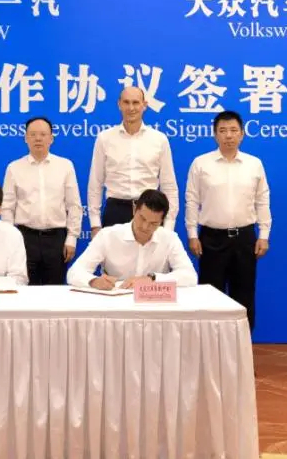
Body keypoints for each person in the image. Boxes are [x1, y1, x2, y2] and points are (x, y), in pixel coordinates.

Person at [184, 110, 271, 332]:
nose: (228, 135)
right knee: (210, 297)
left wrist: (264, 235)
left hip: (244, 238)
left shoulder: (254, 164)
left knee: (244, 297)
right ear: (215, 135)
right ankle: (209, 348)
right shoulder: (201, 164)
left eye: (233, 130)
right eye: (223, 131)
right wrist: (192, 234)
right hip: (211, 238)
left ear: (242, 134)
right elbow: (192, 200)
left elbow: (262, 201)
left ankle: (242, 349)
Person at [1, 117, 83, 285]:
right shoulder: (14, 168)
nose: (38, 139)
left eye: (43, 134)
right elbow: (7, 207)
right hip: (25, 238)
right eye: (33, 134)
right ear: (26, 138)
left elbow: (74, 205)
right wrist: (10, 239)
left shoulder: (65, 166)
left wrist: (72, 238)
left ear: (51, 138)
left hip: (56, 239)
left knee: (54, 290)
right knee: (24, 289)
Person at [87, 86, 179, 235]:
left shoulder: (159, 139)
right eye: (126, 102)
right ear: (119, 104)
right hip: (115, 212)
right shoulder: (105, 138)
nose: (131, 108)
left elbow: (169, 185)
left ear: (144, 105)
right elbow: (95, 183)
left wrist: (168, 226)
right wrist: (95, 224)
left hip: (150, 211)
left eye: (136, 102)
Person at [68, 189, 196, 289]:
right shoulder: (107, 236)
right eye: (142, 218)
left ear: (162, 221)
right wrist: (94, 281)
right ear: (134, 209)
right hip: (115, 304)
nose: (145, 227)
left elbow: (190, 276)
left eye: (153, 223)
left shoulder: (170, 238)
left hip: (154, 305)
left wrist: (152, 279)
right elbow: (74, 272)